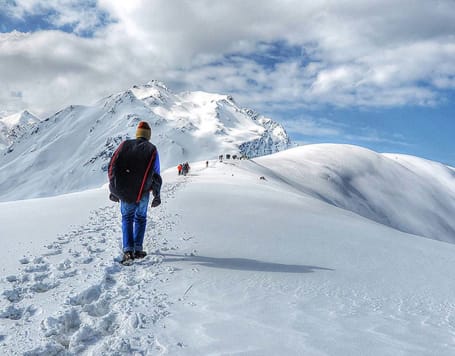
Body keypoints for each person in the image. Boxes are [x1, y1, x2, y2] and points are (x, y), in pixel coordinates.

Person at [108, 121, 162, 264]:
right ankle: (138, 249)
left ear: (137, 134)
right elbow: (156, 173)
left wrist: (114, 189)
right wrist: (157, 193)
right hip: (143, 191)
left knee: (127, 218)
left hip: (125, 190)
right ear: (148, 135)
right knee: (140, 218)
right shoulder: (152, 149)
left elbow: (113, 166)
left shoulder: (125, 145)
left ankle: (127, 251)